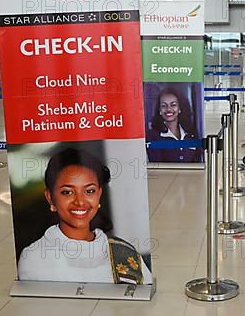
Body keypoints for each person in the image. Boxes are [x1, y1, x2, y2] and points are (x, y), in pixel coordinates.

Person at [18, 148, 153, 285]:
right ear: (50, 198)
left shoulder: (124, 253)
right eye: (67, 192)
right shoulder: (34, 258)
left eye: (89, 191)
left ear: (99, 194)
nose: (80, 201)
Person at [146, 87, 203, 163]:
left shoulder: (191, 133)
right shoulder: (153, 136)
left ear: (179, 108)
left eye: (173, 105)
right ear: (159, 110)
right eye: (164, 106)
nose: (168, 109)